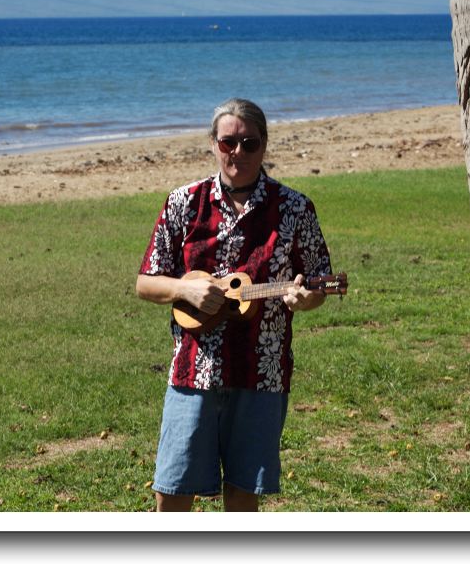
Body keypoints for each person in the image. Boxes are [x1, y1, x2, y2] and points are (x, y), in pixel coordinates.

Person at [136, 97, 333, 512]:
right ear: (213, 144)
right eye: (228, 143)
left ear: (264, 146)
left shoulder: (295, 209)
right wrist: (183, 291)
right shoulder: (183, 203)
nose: (237, 153)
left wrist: (305, 297)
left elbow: (317, 283)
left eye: (249, 143)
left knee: (243, 496)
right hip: (193, 370)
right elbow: (145, 282)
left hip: (261, 373)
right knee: (171, 491)